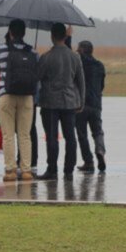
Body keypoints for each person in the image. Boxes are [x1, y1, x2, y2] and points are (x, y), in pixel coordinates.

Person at [36, 22, 85, 180]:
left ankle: (52, 169)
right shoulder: (75, 57)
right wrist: (81, 102)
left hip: (50, 102)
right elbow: (81, 81)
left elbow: (37, 78)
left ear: (51, 36)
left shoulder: (46, 57)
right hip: (70, 102)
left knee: (52, 137)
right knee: (70, 136)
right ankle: (69, 169)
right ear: (65, 36)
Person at [0, 19, 37, 182]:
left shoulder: (1, 48)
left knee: (8, 135)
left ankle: (10, 170)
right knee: (25, 134)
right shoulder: (32, 51)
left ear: (10, 32)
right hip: (27, 96)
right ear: (24, 33)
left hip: (6, 94)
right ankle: (26, 170)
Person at [75, 40, 107, 172]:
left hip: (81, 105)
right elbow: (102, 86)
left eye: (78, 49)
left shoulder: (78, 64)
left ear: (82, 50)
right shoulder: (100, 65)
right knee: (98, 131)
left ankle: (88, 161)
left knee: (82, 134)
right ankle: (100, 150)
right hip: (96, 104)